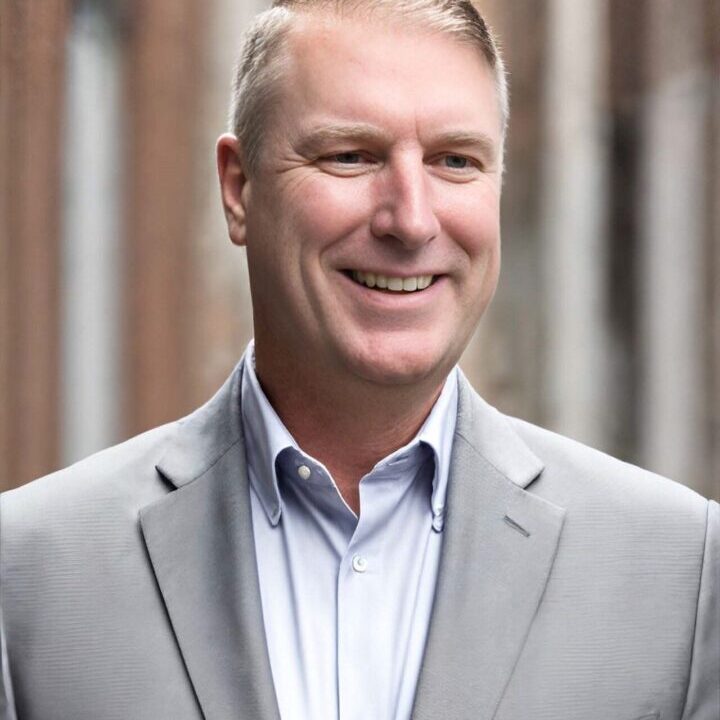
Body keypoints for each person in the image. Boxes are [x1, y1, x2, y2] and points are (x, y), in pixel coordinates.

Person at [1, 1, 717, 718]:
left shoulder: (680, 574)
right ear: (238, 188)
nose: (410, 219)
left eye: (454, 161)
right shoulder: (28, 577)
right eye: (351, 155)